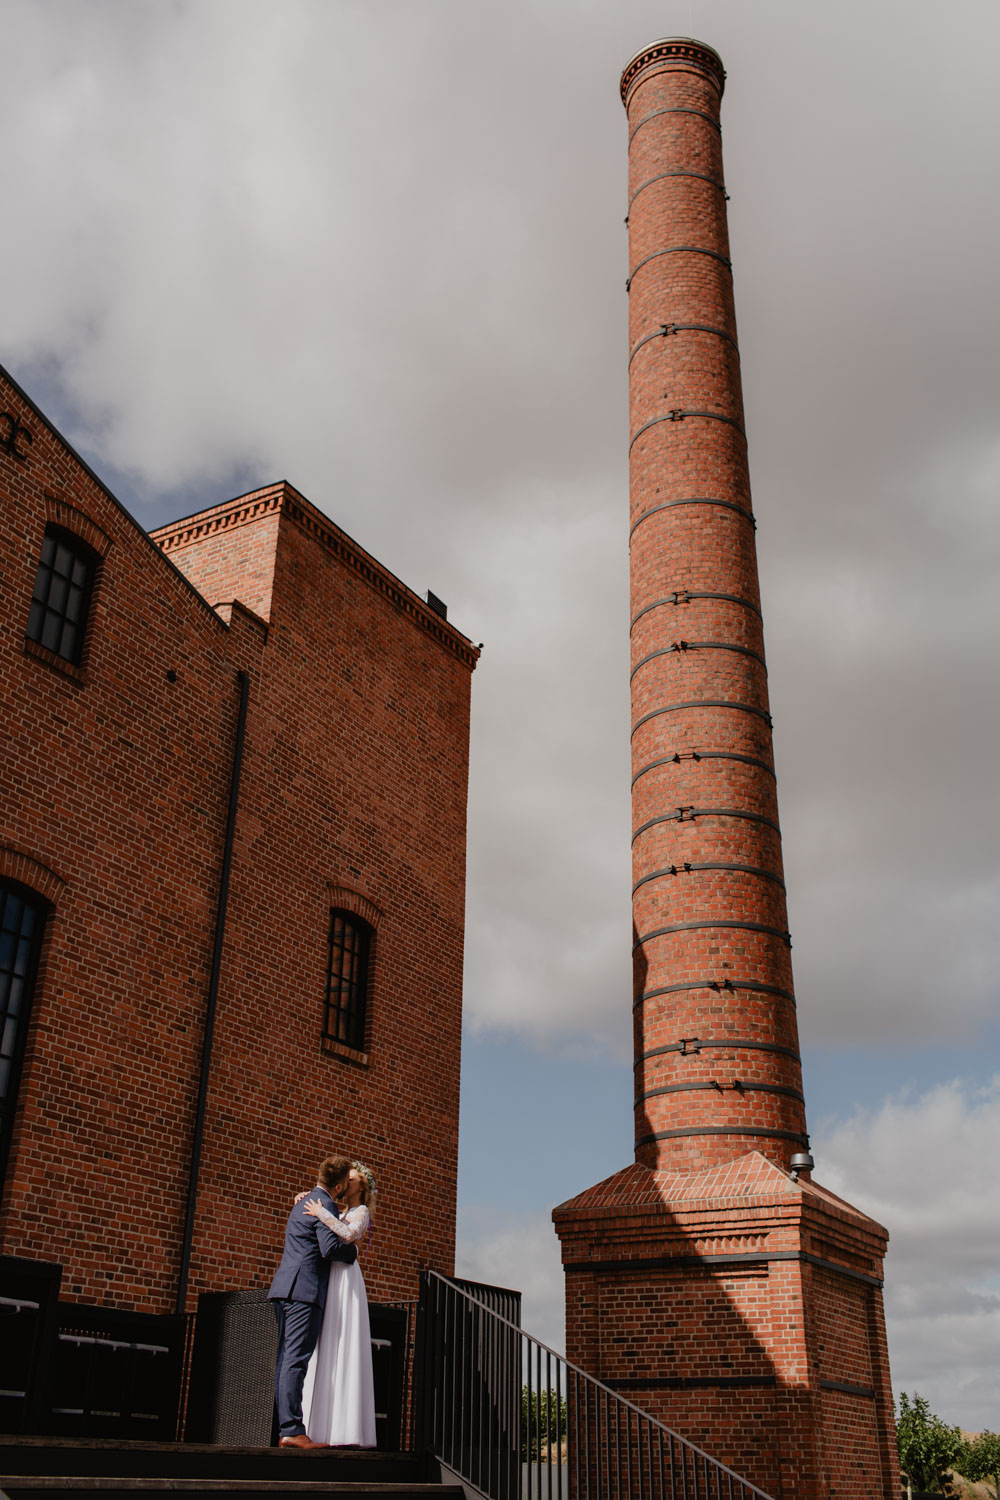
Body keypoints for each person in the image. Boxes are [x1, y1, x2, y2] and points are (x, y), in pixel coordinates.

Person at [268, 1153, 358, 1449]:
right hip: (304, 1291)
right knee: (295, 1361)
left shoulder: (303, 1201)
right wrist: (354, 1253)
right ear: (339, 1186)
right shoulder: (326, 1205)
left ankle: (287, 1428)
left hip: (284, 1288)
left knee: (286, 1360)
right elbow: (329, 1248)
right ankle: (292, 1430)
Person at [298, 1161, 377, 1448]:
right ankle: (319, 1426)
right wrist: (306, 1198)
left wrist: (319, 1212)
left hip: (346, 1277)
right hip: (330, 1275)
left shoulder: (361, 1212)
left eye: (351, 1179)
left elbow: (348, 1234)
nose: (346, 1181)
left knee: (343, 1338)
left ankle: (346, 1428)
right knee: (326, 1340)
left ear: (360, 1187)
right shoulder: (338, 1210)